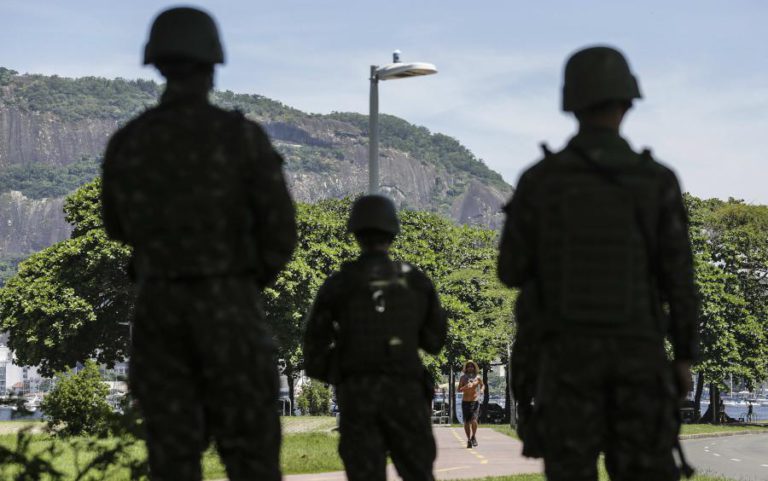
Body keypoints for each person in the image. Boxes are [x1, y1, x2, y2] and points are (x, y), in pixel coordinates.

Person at [101, 7, 296, 481]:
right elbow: (281, 232)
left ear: (157, 63)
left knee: (172, 458)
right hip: (231, 305)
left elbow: (116, 225)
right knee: (251, 457)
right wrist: (243, 279)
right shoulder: (242, 139)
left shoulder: (132, 142)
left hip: (160, 309)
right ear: (213, 63)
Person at [498, 45, 699, 481]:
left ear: (571, 101)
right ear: (628, 101)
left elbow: (510, 271)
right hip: (639, 359)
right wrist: (683, 358)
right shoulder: (656, 181)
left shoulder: (540, 181)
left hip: (566, 363)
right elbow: (680, 281)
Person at [303, 195, 447, 481]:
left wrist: (345, 372)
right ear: (393, 232)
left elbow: (314, 349)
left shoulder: (339, 283)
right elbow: (434, 341)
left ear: (354, 232)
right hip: (406, 391)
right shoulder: (415, 281)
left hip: (358, 395)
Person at [457, 360, 484, 448]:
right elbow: (459, 389)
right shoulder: (463, 378)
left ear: (474, 368)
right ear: (466, 368)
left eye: (472, 366)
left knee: (474, 420)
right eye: (468, 366)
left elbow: (483, 385)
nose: (470, 368)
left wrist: (482, 390)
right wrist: (465, 386)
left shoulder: (478, 377)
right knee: (466, 422)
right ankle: (469, 439)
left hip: (475, 400)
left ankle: (474, 436)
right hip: (465, 402)